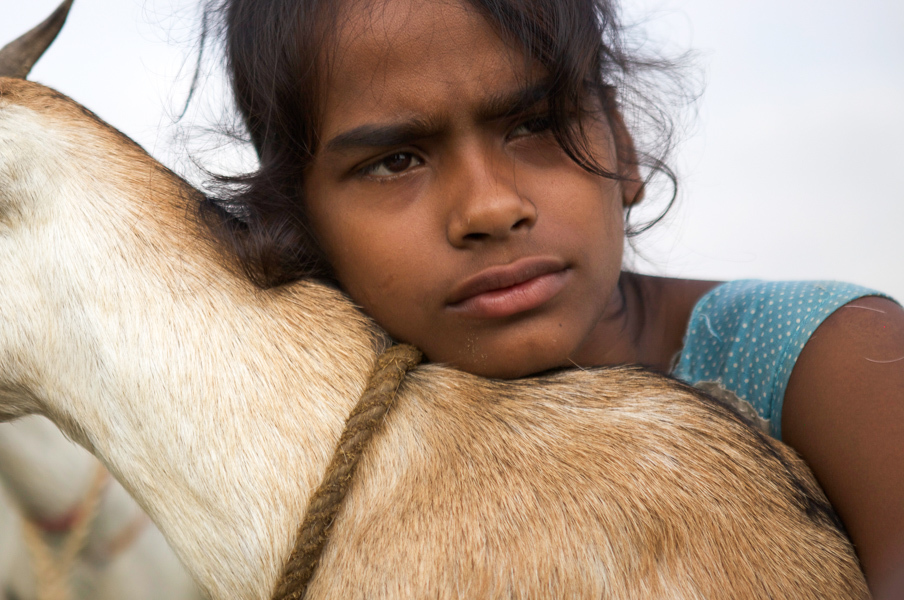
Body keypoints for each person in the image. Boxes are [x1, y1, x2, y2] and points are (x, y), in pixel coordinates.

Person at [196, 0, 904, 595]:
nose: (490, 207)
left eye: (533, 124)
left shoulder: (823, 358)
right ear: (300, 223)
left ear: (622, 147)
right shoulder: (329, 479)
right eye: (394, 161)